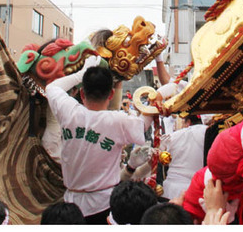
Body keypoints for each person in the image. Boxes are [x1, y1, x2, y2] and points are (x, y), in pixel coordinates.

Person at [45, 56, 152, 224]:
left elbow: (52, 87)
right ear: (111, 94)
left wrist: (80, 75)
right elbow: (144, 125)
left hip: (70, 205)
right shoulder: (118, 120)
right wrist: (153, 100)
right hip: (105, 205)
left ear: (82, 92)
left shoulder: (69, 111)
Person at [160, 115, 207, 199]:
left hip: (173, 188)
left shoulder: (174, 136)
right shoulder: (209, 134)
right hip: (198, 187)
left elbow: (163, 157)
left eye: (182, 123)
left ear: (188, 122)